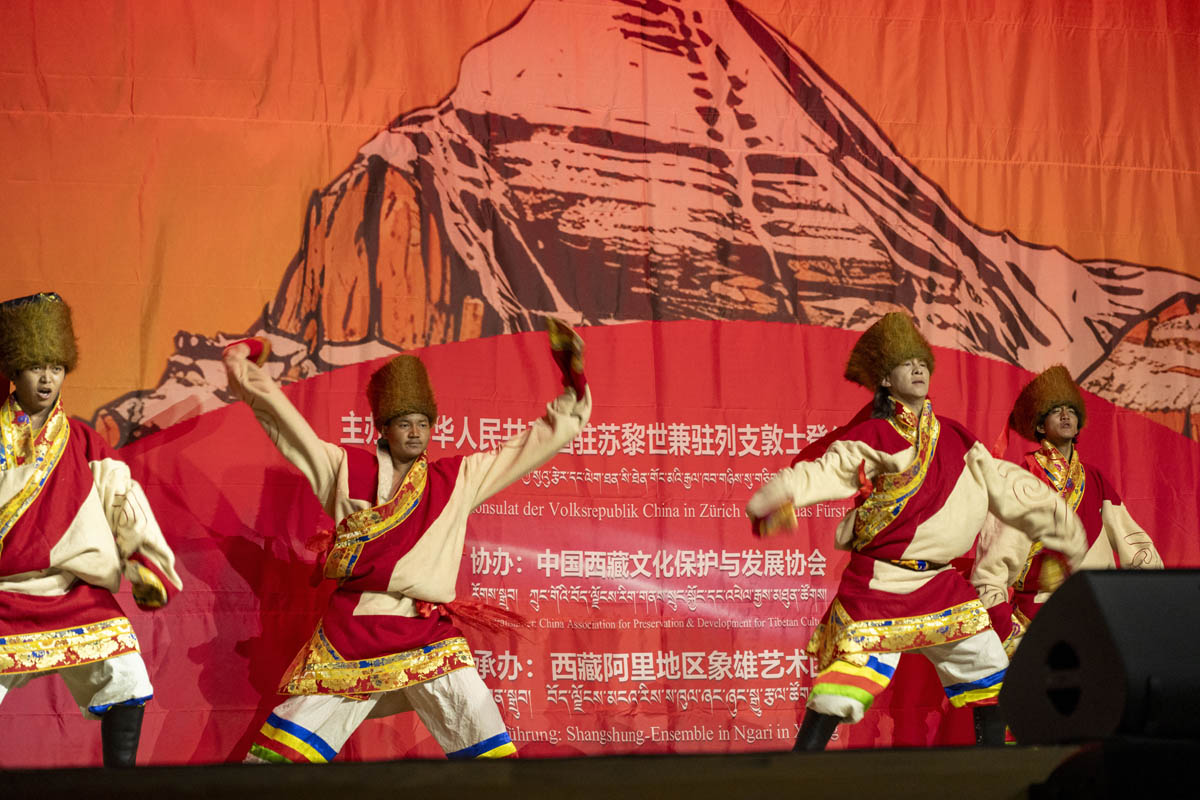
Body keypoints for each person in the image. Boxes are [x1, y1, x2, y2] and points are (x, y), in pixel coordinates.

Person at [224, 320, 591, 763]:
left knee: (484, 737)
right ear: (383, 428)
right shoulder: (346, 470)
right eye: (404, 424)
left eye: (423, 424)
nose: (416, 433)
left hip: (424, 632)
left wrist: (572, 392)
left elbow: (527, 447)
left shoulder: (456, 480)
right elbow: (288, 428)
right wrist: (243, 368)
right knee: (280, 756)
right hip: (354, 631)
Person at [745, 312, 1087, 750]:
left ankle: (992, 771)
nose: (919, 370)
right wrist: (778, 496)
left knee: (991, 670)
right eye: (907, 365)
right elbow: (828, 471)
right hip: (881, 584)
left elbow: (1006, 485)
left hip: (941, 585)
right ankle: (797, 770)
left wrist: (1059, 525)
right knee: (843, 689)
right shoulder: (874, 435)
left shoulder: (956, 438)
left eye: (922, 363)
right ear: (886, 380)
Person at [0, 292, 182, 767]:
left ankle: (120, 790)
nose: (46, 379)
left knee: (128, 677)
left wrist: (144, 561)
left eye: (56, 368)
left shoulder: (83, 442)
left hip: (71, 593)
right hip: (3, 595)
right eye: (35, 367)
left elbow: (123, 500)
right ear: (14, 371)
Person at [971, 365, 1163, 653]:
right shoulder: (1019, 480)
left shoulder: (1094, 479)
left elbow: (1132, 541)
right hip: (1038, 615)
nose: (1065, 416)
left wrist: (1156, 592)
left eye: (1071, 410)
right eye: (1056, 410)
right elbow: (994, 560)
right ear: (1039, 426)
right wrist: (1002, 621)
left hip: (1098, 608)